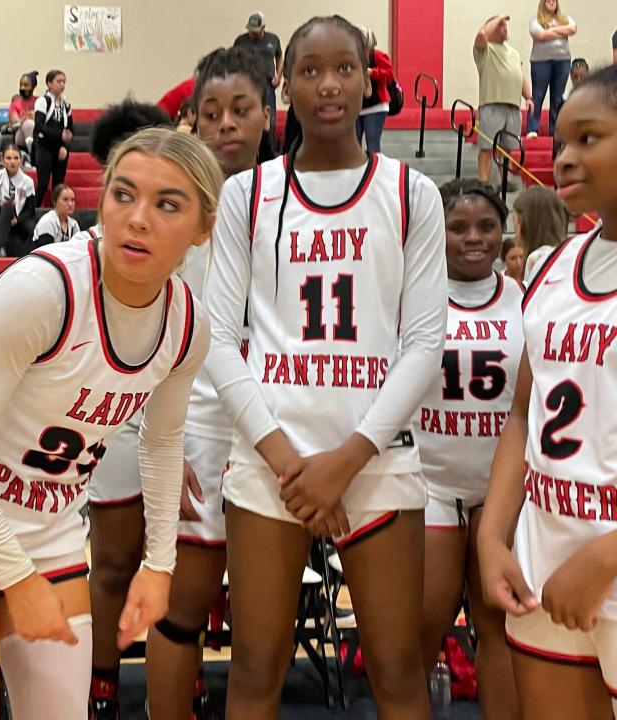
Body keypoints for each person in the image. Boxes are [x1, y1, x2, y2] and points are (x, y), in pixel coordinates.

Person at [0, 127, 220, 720]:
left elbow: (162, 444)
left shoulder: (187, 323)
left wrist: (158, 566)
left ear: (202, 228)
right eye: (123, 194)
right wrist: (17, 579)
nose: (138, 219)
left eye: (168, 204)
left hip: (49, 526)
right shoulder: (43, 291)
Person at [204, 15, 447, 719]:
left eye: (344, 67)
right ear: (285, 85)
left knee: (399, 669)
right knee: (253, 667)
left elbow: (424, 343)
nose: (328, 85)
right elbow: (221, 342)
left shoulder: (411, 194)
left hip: (374, 461)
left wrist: (344, 460)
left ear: (368, 78)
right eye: (309, 70)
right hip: (267, 461)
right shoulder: (247, 197)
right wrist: (290, 462)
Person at [478, 63, 617, 720]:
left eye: (588, 138)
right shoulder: (552, 267)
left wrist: (607, 556)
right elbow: (520, 416)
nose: (563, 157)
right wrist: (492, 535)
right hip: (546, 554)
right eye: (560, 140)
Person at [144, 45, 272, 720]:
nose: (226, 124)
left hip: (276, 430)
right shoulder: (175, 205)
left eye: (240, 110)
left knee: (262, 625)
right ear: (192, 118)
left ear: (266, 115)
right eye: (211, 112)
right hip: (198, 424)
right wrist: (162, 439)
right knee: (181, 607)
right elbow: (152, 334)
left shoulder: (292, 198)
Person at [72, 100, 178, 720]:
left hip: (176, 413)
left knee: (178, 564)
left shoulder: (191, 227)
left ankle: (178, 678)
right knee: (112, 561)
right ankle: (101, 680)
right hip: (106, 414)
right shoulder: (79, 256)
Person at [416, 179, 523, 720]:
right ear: (439, 232)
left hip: (499, 487)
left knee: (496, 625)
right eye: (458, 228)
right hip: (431, 482)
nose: (473, 238)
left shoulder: (526, 300)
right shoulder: (413, 298)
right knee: (423, 627)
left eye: (486, 226)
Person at [474, 15, 535, 184]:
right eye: (500, 26)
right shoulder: (485, 50)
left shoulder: (513, 53)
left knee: (508, 148)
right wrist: (498, 18)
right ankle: (484, 182)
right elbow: (481, 35)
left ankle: (505, 179)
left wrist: (528, 97)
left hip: (513, 107)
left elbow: (519, 77)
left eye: (505, 26)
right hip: (492, 105)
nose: (505, 28)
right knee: (487, 148)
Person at [527, 0, 576, 138]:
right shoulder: (535, 21)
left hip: (563, 61)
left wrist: (551, 30)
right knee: (538, 95)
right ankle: (532, 129)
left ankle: (555, 130)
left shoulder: (566, 19)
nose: (551, 2)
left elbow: (572, 29)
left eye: (554, 0)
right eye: (548, 1)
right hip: (540, 62)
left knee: (557, 97)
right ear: (543, 4)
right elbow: (540, 35)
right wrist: (561, 31)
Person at [233, 12, 282, 149]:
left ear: (263, 27)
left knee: (270, 120)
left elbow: (279, 56)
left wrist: (279, 75)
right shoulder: (241, 41)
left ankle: (270, 151)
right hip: (248, 83)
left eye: (256, 31)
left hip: (267, 83)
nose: (253, 34)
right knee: (248, 116)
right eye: (250, 30)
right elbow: (233, 59)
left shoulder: (273, 40)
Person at [513, 185, 568, 284]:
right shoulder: (565, 254)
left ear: (525, 225)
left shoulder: (537, 258)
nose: (514, 234)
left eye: (515, 224)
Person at [33, 69, 74, 203]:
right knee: (43, 184)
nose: (62, 85)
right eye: (58, 81)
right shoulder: (43, 101)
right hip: (44, 147)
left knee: (58, 186)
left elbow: (69, 130)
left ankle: (56, 214)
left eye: (64, 82)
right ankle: (33, 213)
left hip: (60, 149)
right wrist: (59, 135)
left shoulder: (66, 105)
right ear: (49, 84)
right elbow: (39, 126)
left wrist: (64, 147)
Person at [0, 143, 36, 256]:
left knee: (31, 227)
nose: (12, 162)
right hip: (1, 217)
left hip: (20, 219)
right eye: (8, 158)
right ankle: (1, 248)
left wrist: (17, 220)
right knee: (7, 207)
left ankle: (32, 254)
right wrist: (2, 204)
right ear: (3, 160)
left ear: (21, 160)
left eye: (16, 158)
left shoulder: (28, 181)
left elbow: (30, 210)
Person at [358, 27, 394, 153]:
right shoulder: (353, 57)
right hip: (357, 107)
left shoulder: (377, 55)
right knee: (354, 146)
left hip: (376, 106)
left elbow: (389, 76)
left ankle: (375, 170)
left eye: (361, 37)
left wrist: (372, 72)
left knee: (372, 144)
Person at [9, 71, 39, 154]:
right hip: (20, 135)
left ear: (33, 86)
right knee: (29, 124)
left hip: (38, 132)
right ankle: (34, 158)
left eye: (26, 85)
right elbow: (14, 125)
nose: (22, 88)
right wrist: (26, 118)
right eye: (21, 85)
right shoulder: (15, 104)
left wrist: (36, 118)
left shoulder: (40, 101)